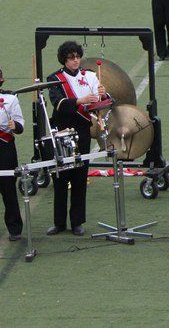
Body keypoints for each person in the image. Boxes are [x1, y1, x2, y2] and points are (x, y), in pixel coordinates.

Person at [46, 41, 109, 236]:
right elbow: (57, 104)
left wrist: (102, 93)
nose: (75, 61)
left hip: (82, 130)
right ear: (64, 59)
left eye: (77, 57)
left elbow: (104, 101)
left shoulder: (90, 76)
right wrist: (80, 100)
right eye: (71, 57)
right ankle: (59, 222)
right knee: (60, 177)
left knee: (80, 176)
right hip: (61, 130)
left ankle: (77, 222)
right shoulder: (55, 79)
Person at [0, 67, 24, 241]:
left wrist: (15, 125)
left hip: (5, 148)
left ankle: (14, 227)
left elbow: (20, 124)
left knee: (8, 188)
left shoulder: (10, 99)